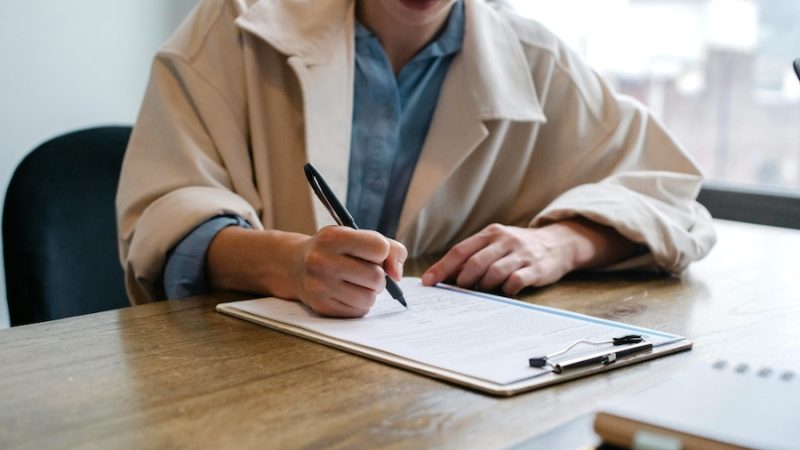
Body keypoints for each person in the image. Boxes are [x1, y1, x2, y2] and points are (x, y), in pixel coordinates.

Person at [116, 0, 716, 317]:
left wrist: (560, 243)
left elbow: (671, 197)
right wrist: (290, 264)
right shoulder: (234, 22)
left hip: (444, 393)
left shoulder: (538, 61)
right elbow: (164, 217)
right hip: (243, 378)